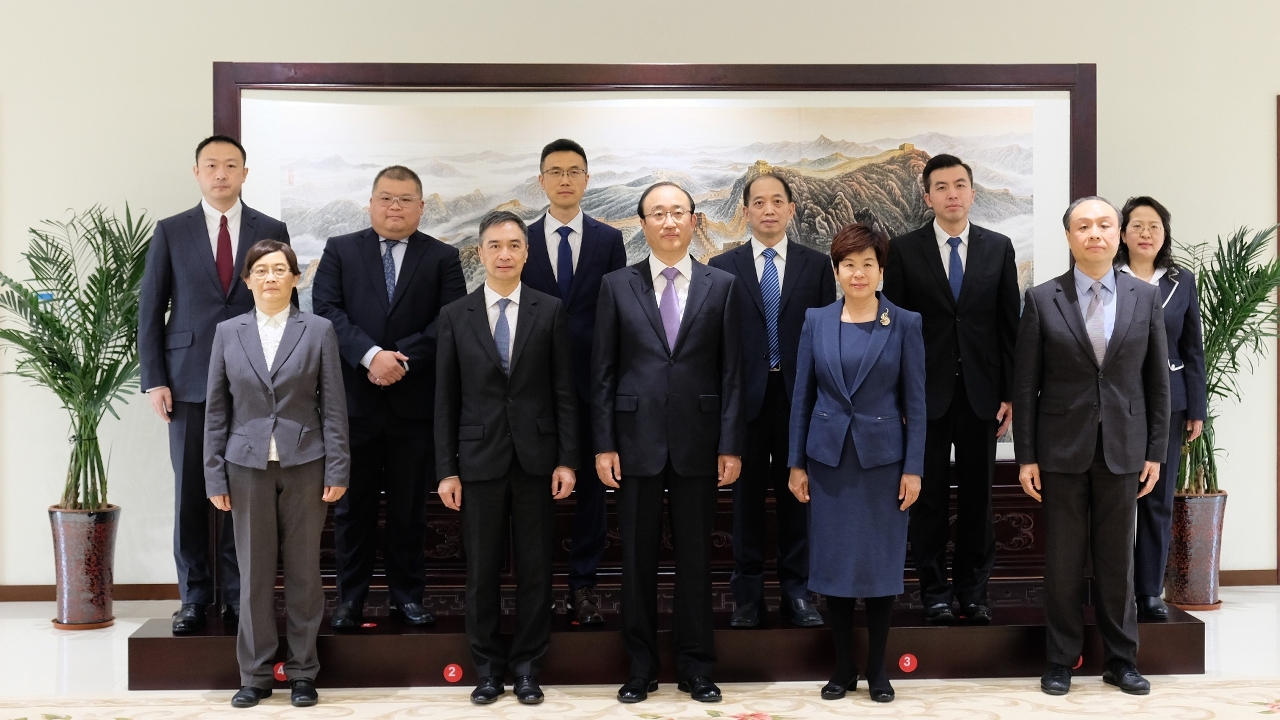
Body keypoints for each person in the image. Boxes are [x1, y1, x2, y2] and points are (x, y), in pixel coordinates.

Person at [593, 182, 744, 704]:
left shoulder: (722, 285)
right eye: (658, 213)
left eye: (678, 211)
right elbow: (603, 372)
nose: (669, 221)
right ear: (643, 224)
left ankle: (696, 667)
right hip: (633, 442)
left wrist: (731, 444)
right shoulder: (616, 285)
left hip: (700, 442)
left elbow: (732, 374)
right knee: (636, 561)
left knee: (696, 561)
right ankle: (640, 669)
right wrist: (604, 444)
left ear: (694, 220)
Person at [1014, 196, 1170, 697]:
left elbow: (1157, 383)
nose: (1095, 234)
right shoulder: (1043, 298)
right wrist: (1026, 456)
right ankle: (1061, 660)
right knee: (1062, 561)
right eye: (1083, 226)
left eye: (1104, 225)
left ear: (1118, 234)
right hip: (1061, 450)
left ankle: (1121, 660)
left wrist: (1156, 451)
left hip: (1125, 448)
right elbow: (1026, 385)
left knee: (1117, 561)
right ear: (1069, 237)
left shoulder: (1144, 297)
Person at [139, 135, 291, 634]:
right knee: (190, 493)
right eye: (211, 166)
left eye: (230, 165)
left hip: (254, 380)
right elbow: (150, 308)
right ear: (197, 173)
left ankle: (237, 595)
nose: (221, 173)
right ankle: (193, 597)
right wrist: (154, 379)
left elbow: (285, 304)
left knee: (244, 492)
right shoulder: (171, 230)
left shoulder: (271, 229)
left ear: (245, 173)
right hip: (186, 380)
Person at [311, 165, 467, 629]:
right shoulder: (340, 250)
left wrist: (398, 359)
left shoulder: (442, 257)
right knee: (351, 509)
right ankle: (350, 600)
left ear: (421, 206)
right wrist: (370, 355)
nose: (394, 206)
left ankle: (407, 597)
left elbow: (450, 319)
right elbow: (326, 311)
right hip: (354, 405)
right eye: (386, 197)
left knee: (408, 510)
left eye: (405, 199)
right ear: (371, 203)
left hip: (413, 406)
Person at [435, 210, 579, 706]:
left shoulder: (549, 309)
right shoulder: (456, 315)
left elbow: (564, 391)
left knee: (536, 570)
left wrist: (567, 460)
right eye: (494, 245)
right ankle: (488, 671)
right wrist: (446, 469)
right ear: (480, 253)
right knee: (481, 572)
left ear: (526, 252)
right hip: (478, 460)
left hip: (538, 460)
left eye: (514, 245)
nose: (504, 254)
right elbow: (445, 400)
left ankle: (528, 669)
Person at [203, 240, 349, 709]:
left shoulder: (319, 330)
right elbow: (216, 410)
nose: (271, 278)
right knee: (253, 575)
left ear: (295, 278)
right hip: (245, 467)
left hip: (306, 465)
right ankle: (255, 674)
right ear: (247, 280)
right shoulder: (228, 332)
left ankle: (303, 672)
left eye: (280, 270)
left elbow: (333, 406)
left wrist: (338, 467)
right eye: (261, 270)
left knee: (305, 573)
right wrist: (214, 476)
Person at [787, 223, 925, 704]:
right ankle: (843, 667)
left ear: (881, 270)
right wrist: (796, 463)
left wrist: (914, 468)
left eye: (868, 263)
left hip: (884, 464)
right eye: (849, 264)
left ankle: (878, 669)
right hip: (828, 463)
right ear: (836, 271)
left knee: (880, 568)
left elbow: (917, 403)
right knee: (835, 568)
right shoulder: (816, 320)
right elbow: (802, 397)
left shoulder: (904, 323)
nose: (859, 273)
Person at [881, 153, 1020, 626]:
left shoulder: (998, 248)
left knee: (979, 500)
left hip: (983, 394)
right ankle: (935, 593)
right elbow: (895, 332)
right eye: (941, 187)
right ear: (927, 197)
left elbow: (1009, 325)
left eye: (959, 185)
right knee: (929, 499)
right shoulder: (904, 250)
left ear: (973, 193)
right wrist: (899, 396)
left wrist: (1011, 393)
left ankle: (974, 594)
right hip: (925, 396)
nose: (952, 193)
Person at [708, 172, 834, 629]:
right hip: (744, 402)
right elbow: (717, 344)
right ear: (745, 212)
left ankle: (798, 593)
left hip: (799, 399)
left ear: (791, 209)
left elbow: (826, 338)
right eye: (758, 202)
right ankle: (747, 598)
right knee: (745, 503)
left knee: (797, 498)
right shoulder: (722, 266)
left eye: (777, 201)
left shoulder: (816, 266)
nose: (768, 210)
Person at [521, 139, 627, 626]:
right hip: (533, 391)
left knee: (591, 497)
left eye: (574, 171)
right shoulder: (520, 239)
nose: (565, 180)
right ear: (541, 180)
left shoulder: (608, 240)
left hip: (590, 388)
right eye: (555, 171)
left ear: (587, 179)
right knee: (535, 496)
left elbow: (618, 313)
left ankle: (584, 587)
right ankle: (537, 589)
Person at [1115, 196, 1207, 620]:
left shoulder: (1181, 280)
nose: (1146, 233)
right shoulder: (1108, 276)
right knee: (1118, 497)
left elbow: (1192, 347)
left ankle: (1150, 592)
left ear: (1164, 233)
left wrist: (1197, 408)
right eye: (1137, 225)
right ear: (1123, 233)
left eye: (1154, 226)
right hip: (1116, 400)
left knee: (1158, 497)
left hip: (1169, 402)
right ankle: (1116, 589)